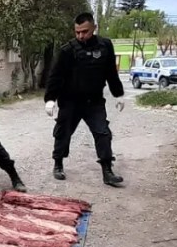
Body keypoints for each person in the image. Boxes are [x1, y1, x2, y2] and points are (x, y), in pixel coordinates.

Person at [45, 11, 125, 187]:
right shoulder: (67, 50)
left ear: (94, 28)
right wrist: (50, 99)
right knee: (63, 133)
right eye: (77, 32)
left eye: (85, 31)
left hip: (94, 102)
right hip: (70, 102)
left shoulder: (105, 46)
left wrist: (118, 94)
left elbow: (111, 72)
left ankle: (107, 171)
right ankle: (58, 164)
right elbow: (55, 76)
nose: (81, 36)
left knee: (103, 133)